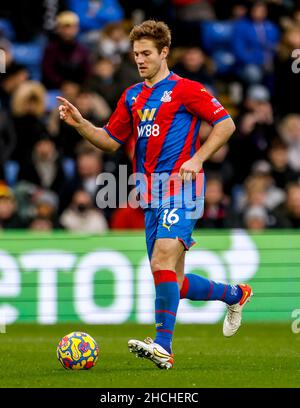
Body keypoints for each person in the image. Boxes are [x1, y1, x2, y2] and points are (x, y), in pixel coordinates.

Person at [57, 20, 253, 370]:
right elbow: (109, 140)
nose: (140, 60)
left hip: (183, 189)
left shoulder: (186, 89)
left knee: (161, 261)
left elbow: (226, 124)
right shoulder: (132, 96)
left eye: (146, 53)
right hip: (149, 195)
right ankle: (235, 294)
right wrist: (80, 124)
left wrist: (198, 158)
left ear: (164, 52)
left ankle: (163, 345)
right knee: (172, 283)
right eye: (135, 54)